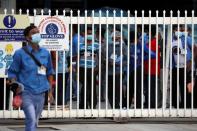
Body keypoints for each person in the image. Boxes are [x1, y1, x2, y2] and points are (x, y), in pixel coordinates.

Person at [8, 25, 54, 131]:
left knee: (35, 121)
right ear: (27, 38)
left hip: (41, 92)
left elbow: (50, 73)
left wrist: (50, 92)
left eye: (38, 32)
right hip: (26, 92)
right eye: (34, 33)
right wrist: (15, 85)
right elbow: (12, 72)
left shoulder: (45, 53)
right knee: (31, 119)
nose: (37, 34)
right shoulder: (20, 54)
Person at [79, 27, 99, 109]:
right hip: (82, 69)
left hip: (92, 69)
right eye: (88, 34)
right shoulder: (80, 45)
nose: (89, 35)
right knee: (84, 87)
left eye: (91, 34)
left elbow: (99, 57)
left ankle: (92, 106)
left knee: (92, 87)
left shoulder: (96, 45)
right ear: (84, 34)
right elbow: (77, 57)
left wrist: (97, 67)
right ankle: (83, 106)